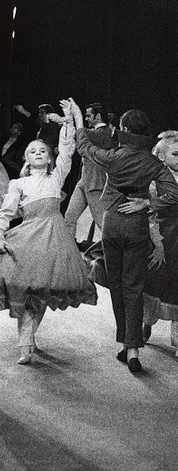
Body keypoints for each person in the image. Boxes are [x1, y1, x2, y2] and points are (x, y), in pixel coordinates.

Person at [0, 114, 97, 365]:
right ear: (26, 159)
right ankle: (25, 342)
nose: (37, 153)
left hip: (56, 240)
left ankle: (30, 335)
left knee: (45, 291)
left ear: (49, 158)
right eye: (32, 151)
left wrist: (68, 121)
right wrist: (0, 234)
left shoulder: (56, 178)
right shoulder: (19, 183)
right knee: (29, 291)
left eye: (42, 151)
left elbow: (67, 152)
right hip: (30, 238)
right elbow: (5, 211)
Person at [66, 98, 178, 373]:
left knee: (117, 287)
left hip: (113, 223)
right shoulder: (153, 163)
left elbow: (84, 146)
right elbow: (173, 193)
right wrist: (147, 203)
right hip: (137, 226)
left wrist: (78, 118)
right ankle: (134, 349)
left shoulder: (113, 156)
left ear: (124, 128)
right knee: (134, 288)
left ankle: (126, 346)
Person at [122, 133, 178, 354]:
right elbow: (150, 214)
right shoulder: (155, 181)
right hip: (164, 238)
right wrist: (158, 243)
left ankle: (176, 339)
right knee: (155, 283)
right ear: (162, 157)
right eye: (176, 154)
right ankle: (147, 322)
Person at [64, 102, 118, 242]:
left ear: (98, 116)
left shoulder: (105, 133)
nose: (87, 119)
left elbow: (81, 136)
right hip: (84, 183)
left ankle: (116, 258)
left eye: (89, 116)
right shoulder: (94, 133)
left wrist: (77, 117)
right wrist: (67, 118)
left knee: (103, 225)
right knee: (69, 219)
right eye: (85, 116)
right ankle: (69, 257)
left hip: (96, 184)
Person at [0, 104, 26, 218]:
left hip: (10, 169)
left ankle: (10, 215)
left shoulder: (20, 143)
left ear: (19, 131)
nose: (12, 129)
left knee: (6, 190)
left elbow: (18, 157)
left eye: (15, 128)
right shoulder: (5, 139)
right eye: (12, 127)